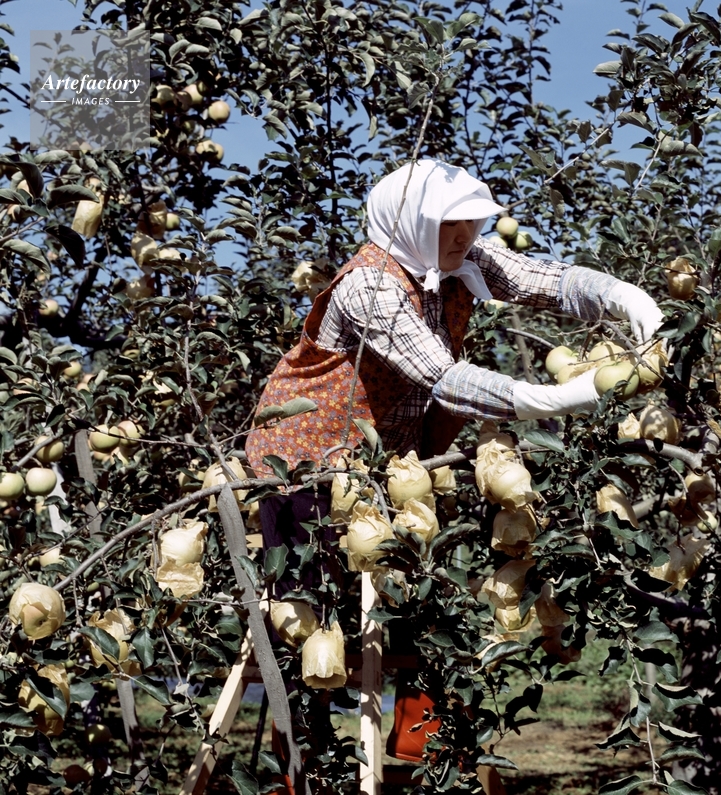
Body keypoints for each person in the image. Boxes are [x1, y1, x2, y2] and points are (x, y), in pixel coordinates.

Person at [243, 158, 663, 778]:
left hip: (387, 462)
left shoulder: (459, 261)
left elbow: (547, 280)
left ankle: (424, 751)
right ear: (411, 223)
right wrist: (556, 397)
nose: (465, 236)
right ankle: (304, 764)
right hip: (306, 463)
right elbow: (444, 377)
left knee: (417, 590)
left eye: (472, 222)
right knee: (310, 614)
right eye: (449, 224)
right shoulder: (369, 287)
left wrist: (626, 298)